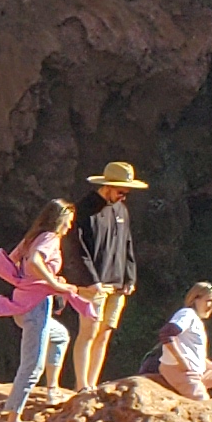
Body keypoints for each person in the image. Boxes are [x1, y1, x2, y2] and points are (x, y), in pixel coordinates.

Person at [0, 201, 92, 422]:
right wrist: (53, 282)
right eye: (68, 222)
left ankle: (52, 390)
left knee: (60, 336)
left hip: (22, 303)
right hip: (36, 308)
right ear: (60, 219)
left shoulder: (32, 237)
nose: (69, 227)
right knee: (32, 365)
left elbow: (13, 259)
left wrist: (32, 281)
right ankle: (13, 421)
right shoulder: (49, 238)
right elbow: (36, 260)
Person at [67, 164, 146, 391]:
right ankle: (81, 385)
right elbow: (76, 249)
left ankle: (92, 383)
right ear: (107, 185)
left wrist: (129, 278)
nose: (124, 195)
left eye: (127, 191)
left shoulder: (121, 210)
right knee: (89, 332)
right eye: (121, 190)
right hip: (92, 285)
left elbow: (127, 246)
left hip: (117, 284)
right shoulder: (83, 210)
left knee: (105, 333)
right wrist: (91, 280)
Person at [154, 282, 212, 401]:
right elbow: (166, 333)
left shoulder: (195, 318)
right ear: (195, 299)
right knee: (203, 404)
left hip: (195, 370)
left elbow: (191, 348)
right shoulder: (186, 314)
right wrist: (182, 362)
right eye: (209, 300)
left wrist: (211, 366)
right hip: (181, 372)